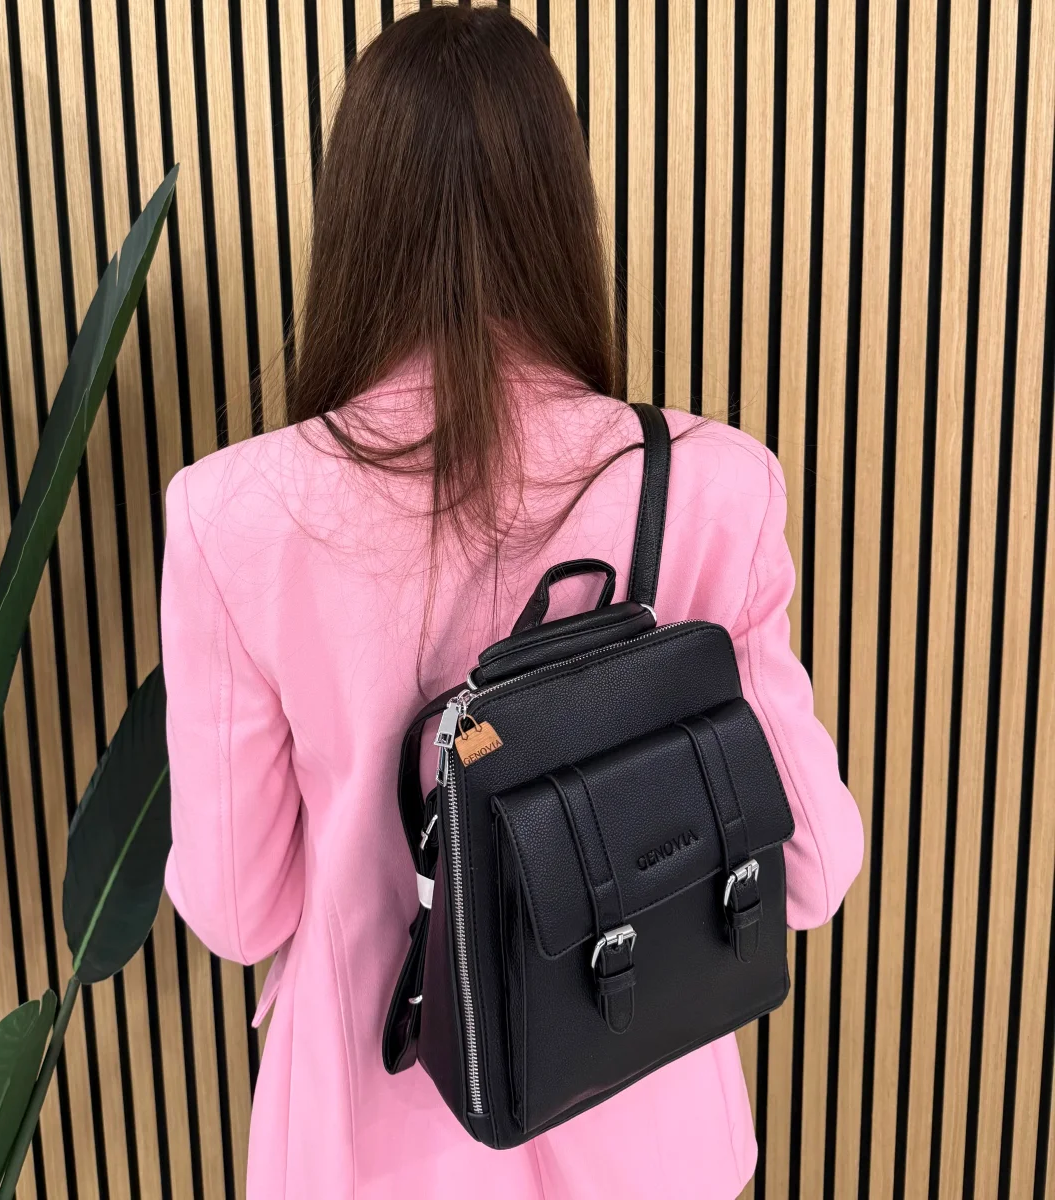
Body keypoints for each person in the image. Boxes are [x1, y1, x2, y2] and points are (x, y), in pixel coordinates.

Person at [160, 6, 863, 1197]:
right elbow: (809, 866)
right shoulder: (712, 487)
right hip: (645, 1128)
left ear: (352, 217)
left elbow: (238, 909)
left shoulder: (230, 515)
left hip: (367, 1143)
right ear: (562, 209)